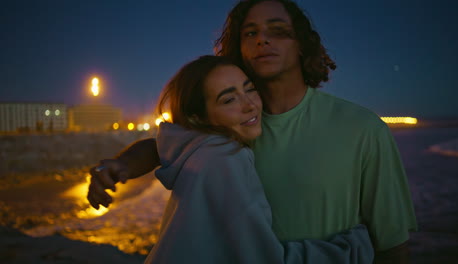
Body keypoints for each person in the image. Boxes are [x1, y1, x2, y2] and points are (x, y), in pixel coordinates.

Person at [88, 0, 417, 262]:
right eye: (250, 33)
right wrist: (121, 165)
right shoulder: (224, 132)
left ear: (302, 44)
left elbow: (392, 246)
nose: (263, 39)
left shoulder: (362, 128)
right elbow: (164, 146)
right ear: (239, 50)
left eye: (278, 30)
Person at [138, 55, 373, 263]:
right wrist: (354, 248)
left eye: (249, 89)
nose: (249, 105)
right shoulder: (226, 160)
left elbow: (157, 147)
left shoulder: (198, 149)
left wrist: (123, 163)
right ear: (200, 118)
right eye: (229, 100)